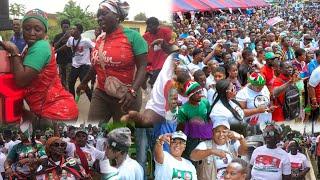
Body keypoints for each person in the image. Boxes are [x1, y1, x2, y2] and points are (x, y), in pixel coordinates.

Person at [0, 9, 78, 129]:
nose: (32, 33)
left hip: (57, 113)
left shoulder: (40, 47)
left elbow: (21, 80)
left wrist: (14, 51)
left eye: (37, 29)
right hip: (52, 111)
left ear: (45, 31)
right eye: (27, 28)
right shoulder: (31, 47)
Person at [77, 0, 148, 123]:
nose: (99, 18)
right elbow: (96, 65)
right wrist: (84, 83)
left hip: (126, 97)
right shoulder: (99, 39)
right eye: (98, 15)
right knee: (93, 128)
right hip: (101, 94)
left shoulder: (133, 37)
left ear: (117, 16)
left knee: (122, 135)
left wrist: (132, 91)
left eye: (104, 13)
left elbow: (142, 67)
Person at [177, 81, 212, 161]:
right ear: (190, 95)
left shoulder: (205, 102)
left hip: (206, 137)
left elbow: (209, 118)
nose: (200, 94)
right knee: (191, 159)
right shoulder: (183, 110)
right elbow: (181, 129)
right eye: (197, 93)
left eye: (201, 91)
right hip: (192, 140)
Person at [66, 23, 94, 101]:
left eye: (74, 29)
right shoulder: (70, 39)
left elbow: (95, 47)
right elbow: (67, 45)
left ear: (80, 31)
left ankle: (92, 102)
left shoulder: (86, 40)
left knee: (84, 85)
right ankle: (72, 102)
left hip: (85, 65)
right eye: (72, 28)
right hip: (75, 65)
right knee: (70, 83)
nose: (72, 30)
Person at [143, 17, 172, 88]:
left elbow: (171, 47)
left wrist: (161, 41)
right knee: (142, 81)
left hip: (162, 63)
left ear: (157, 25)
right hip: (149, 64)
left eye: (150, 27)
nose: (148, 29)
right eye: (147, 27)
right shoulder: (146, 36)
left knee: (155, 83)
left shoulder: (166, 32)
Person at [53, 19, 73, 90]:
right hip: (60, 61)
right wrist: (63, 37)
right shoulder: (57, 36)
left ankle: (69, 96)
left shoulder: (72, 37)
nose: (66, 29)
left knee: (69, 80)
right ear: (61, 27)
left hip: (69, 61)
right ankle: (65, 95)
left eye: (67, 27)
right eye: (64, 27)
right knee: (62, 80)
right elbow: (54, 46)